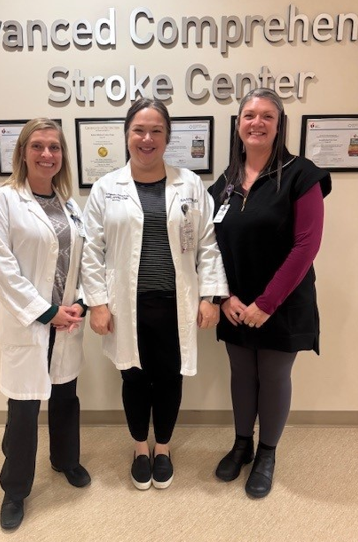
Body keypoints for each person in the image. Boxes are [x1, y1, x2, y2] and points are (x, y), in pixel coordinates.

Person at [81, 98, 229, 490]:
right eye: (139, 130)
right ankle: (139, 448)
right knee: (133, 378)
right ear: (126, 135)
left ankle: (162, 448)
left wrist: (209, 297)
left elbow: (208, 245)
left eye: (156, 131)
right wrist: (96, 303)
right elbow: (91, 251)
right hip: (125, 307)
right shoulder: (105, 188)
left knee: (169, 379)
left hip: (173, 304)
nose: (147, 139)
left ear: (167, 137)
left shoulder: (190, 184)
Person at [208, 88, 331, 498]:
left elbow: (306, 246)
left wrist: (267, 303)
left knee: (274, 377)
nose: (256, 123)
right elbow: (211, 247)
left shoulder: (302, 174)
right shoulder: (225, 182)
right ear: (238, 124)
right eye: (249, 115)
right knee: (241, 374)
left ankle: (266, 453)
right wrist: (225, 297)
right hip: (236, 304)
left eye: (267, 116)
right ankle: (241, 444)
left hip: (284, 303)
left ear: (279, 126)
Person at [0, 118, 91, 530]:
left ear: (63, 156)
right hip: (29, 321)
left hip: (67, 321)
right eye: (39, 146)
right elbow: (2, 271)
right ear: (23, 152)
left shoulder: (71, 205)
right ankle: (14, 489)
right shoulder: (2, 201)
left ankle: (66, 461)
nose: (48, 154)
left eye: (55, 147)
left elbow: (83, 263)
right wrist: (46, 312)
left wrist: (79, 302)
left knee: (65, 396)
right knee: (24, 407)